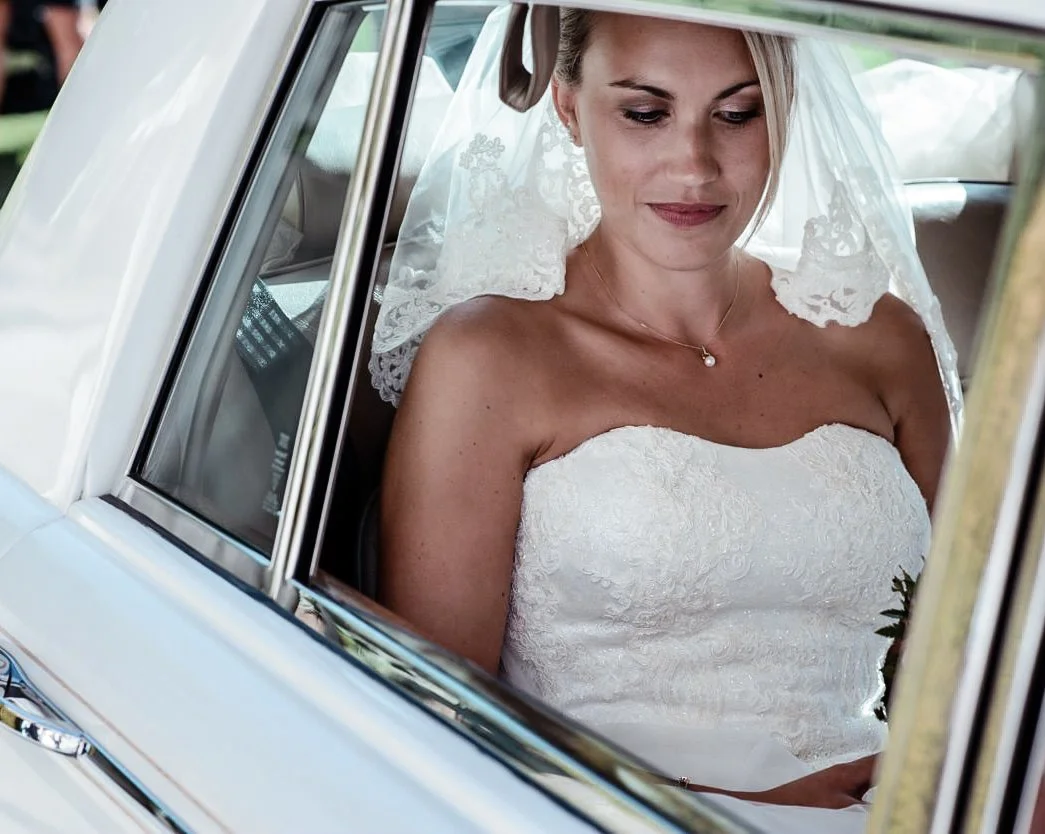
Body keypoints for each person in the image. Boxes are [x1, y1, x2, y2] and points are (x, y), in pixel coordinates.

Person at [368, 4, 962, 824]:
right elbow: (437, 715)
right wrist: (737, 801)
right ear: (569, 109)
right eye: (645, 113)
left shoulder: (879, 337)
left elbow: (971, 631)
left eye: (737, 113)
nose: (694, 164)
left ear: (784, 109)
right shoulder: (488, 358)